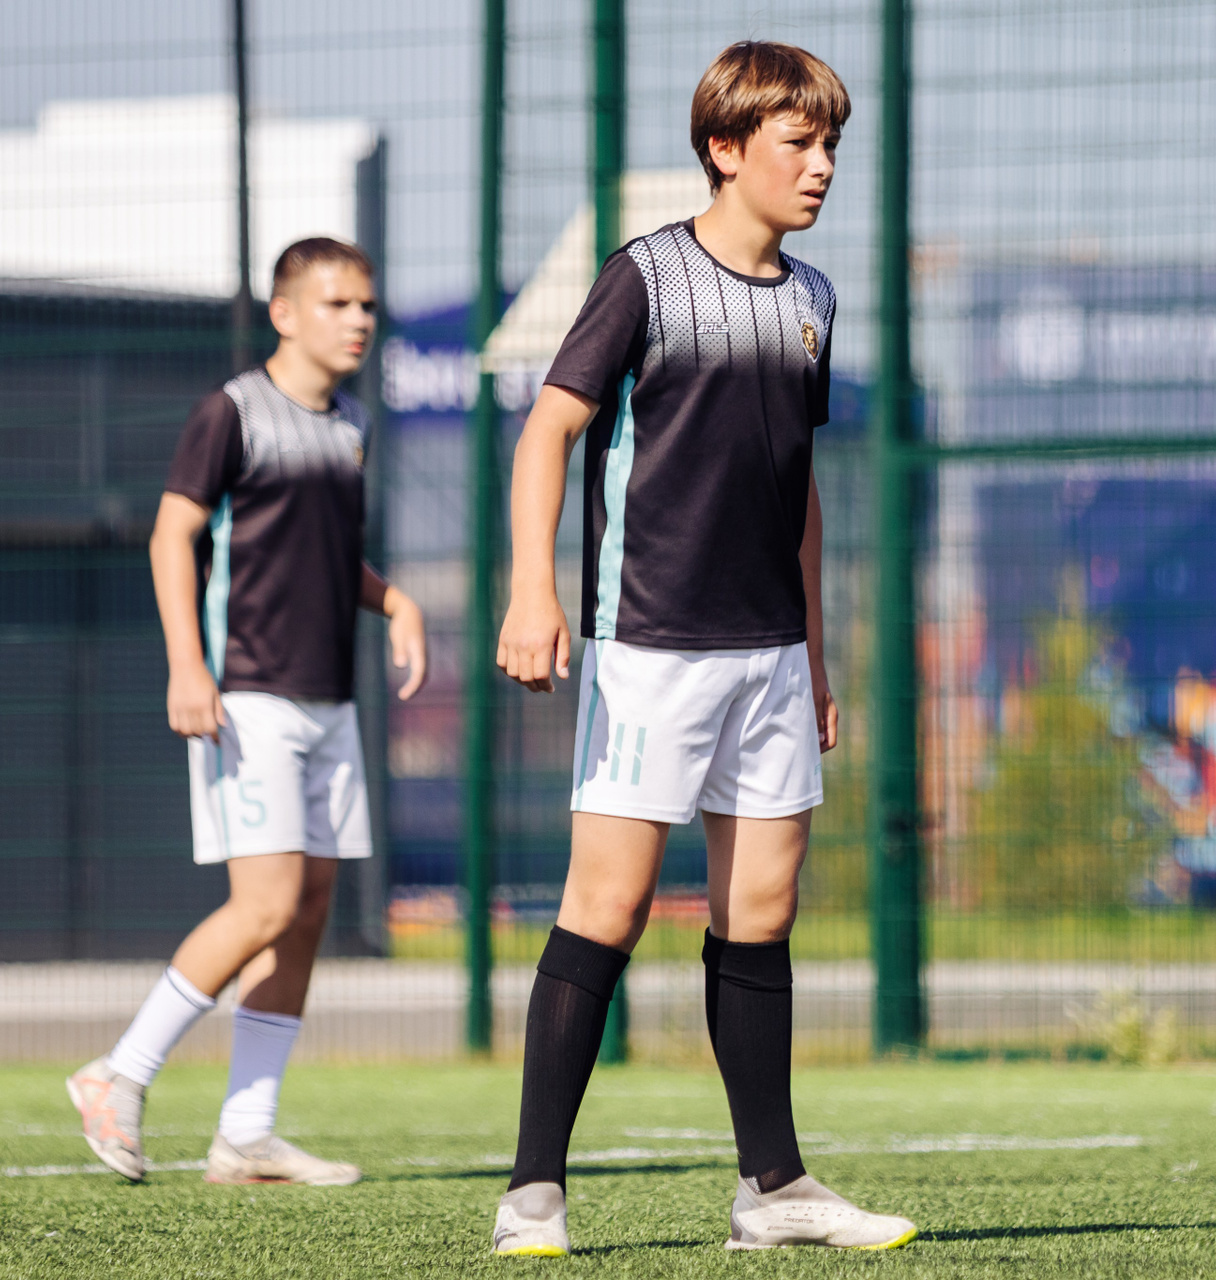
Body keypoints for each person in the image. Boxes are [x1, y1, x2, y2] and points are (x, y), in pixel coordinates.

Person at [488, 41, 918, 1255]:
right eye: (799, 142)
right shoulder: (644, 276)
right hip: (651, 645)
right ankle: (532, 1191)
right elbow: (547, 433)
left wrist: (814, 653)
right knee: (609, 904)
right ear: (725, 149)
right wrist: (532, 591)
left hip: (771, 653)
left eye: (831, 144)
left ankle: (772, 1190)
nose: (821, 165)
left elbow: (799, 488)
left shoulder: (813, 299)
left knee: (761, 911)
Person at [66, 237, 426, 1187]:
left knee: (305, 912)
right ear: (285, 314)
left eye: (367, 305)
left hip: (329, 702)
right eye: (338, 304)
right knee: (263, 904)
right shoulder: (230, 412)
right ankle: (117, 1075)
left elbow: (326, 558)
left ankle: (246, 1134)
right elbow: (172, 536)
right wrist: (188, 666)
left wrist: (396, 601)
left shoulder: (351, 427)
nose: (358, 320)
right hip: (247, 697)